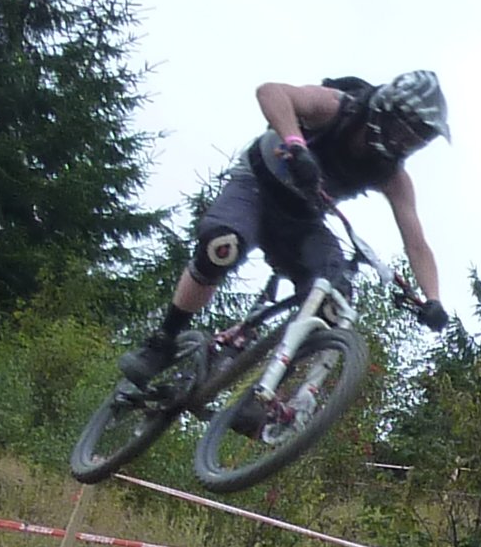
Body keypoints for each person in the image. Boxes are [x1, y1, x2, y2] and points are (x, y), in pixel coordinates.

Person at [122, 72, 452, 392]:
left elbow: (416, 244)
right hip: (256, 185)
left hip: (301, 219)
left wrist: (432, 299)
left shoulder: (393, 177)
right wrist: (297, 145)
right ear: (387, 110)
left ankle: (267, 397)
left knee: (333, 301)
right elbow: (271, 91)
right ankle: (162, 341)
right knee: (221, 247)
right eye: (406, 132)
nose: (406, 144)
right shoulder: (338, 107)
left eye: (417, 140)